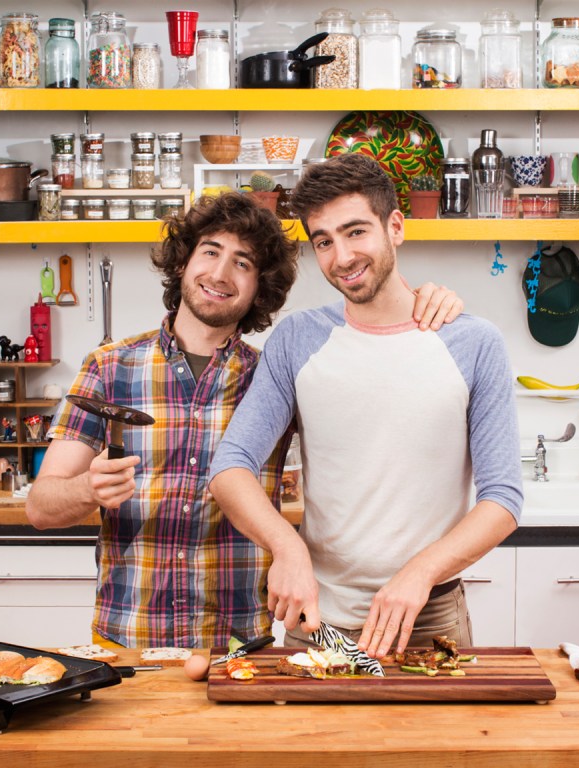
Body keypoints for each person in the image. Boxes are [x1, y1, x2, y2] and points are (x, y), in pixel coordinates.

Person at [26, 191, 464, 649]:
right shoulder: (108, 366)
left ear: (260, 286)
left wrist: (420, 301)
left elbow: (380, 398)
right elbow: (40, 507)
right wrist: (86, 489)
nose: (220, 274)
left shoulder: (276, 373)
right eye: (210, 252)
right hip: (126, 638)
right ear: (183, 262)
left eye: (242, 263)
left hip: (239, 648)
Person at [208, 155, 524, 658]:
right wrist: (286, 546)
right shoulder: (297, 339)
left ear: (395, 226)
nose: (342, 256)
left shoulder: (473, 343)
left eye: (356, 232)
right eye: (324, 241)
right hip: (315, 620)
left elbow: (503, 499)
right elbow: (230, 465)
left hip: (428, 619)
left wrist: (420, 572)